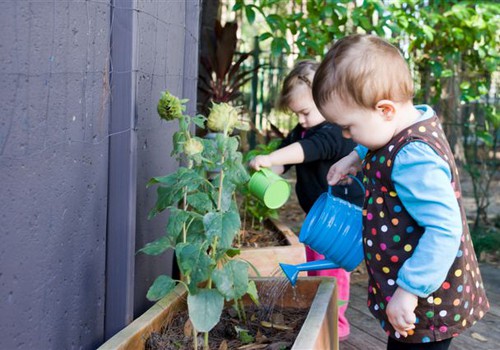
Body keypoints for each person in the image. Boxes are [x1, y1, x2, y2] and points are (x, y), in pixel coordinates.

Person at [311, 34, 489, 350]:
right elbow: (379, 138)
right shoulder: (403, 125)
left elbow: (444, 229)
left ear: (385, 109)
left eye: (349, 127)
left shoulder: (413, 158)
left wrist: (409, 291)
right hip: (414, 290)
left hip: (426, 298)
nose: (346, 134)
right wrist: (354, 157)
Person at [249, 60, 364, 341]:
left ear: (325, 99)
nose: (301, 120)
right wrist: (265, 170)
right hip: (317, 217)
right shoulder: (302, 130)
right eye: (295, 113)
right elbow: (285, 158)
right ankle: (319, 314)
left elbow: (307, 150)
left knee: (333, 269)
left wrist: (272, 157)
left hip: (340, 220)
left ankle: (337, 323)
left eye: (305, 112)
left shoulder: (335, 130)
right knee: (315, 265)